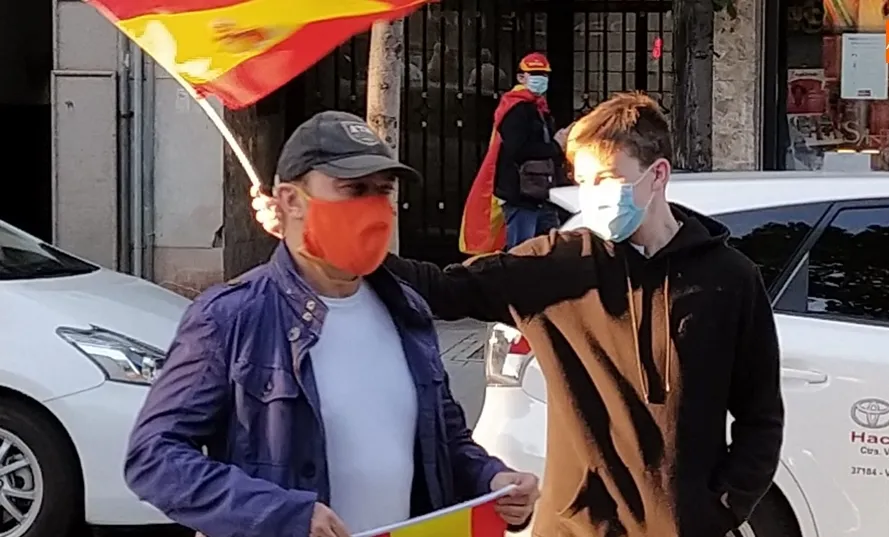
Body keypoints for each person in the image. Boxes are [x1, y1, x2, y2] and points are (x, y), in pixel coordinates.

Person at [254, 93, 784, 537]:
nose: (592, 196)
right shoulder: (558, 264)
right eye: (582, 180)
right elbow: (440, 288)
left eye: (606, 178)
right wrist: (317, 235)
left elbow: (762, 415)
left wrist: (726, 504)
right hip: (575, 527)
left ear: (658, 174)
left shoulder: (731, 279)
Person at [125, 110, 540, 537]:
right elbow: (154, 457)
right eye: (354, 189)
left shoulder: (406, 310)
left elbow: (446, 442)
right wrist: (281, 516)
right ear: (290, 200)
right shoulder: (230, 317)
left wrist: (493, 480)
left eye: (383, 191)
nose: (375, 208)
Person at [483, 52, 569, 251]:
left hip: (540, 194)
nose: (541, 79)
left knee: (550, 249)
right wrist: (556, 147)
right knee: (522, 251)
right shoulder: (516, 108)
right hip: (520, 193)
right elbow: (517, 149)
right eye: (535, 73)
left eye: (544, 74)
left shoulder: (538, 108)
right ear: (521, 77)